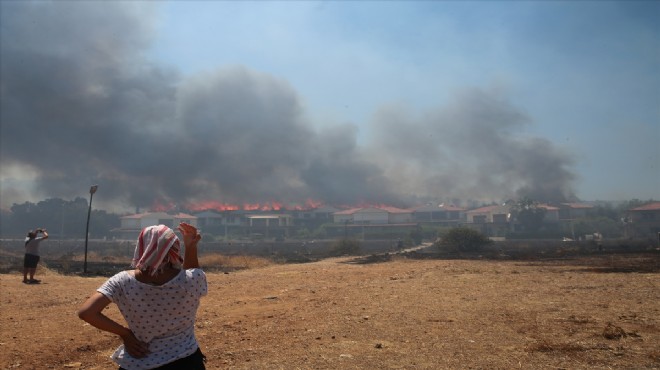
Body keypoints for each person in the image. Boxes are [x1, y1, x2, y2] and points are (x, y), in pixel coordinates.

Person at [78, 222, 207, 370]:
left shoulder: (122, 281)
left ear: (141, 247)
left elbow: (86, 313)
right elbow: (191, 273)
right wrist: (191, 247)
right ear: (174, 249)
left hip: (139, 361)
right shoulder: (192, 279)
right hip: (186, 360)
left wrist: (125, 334)